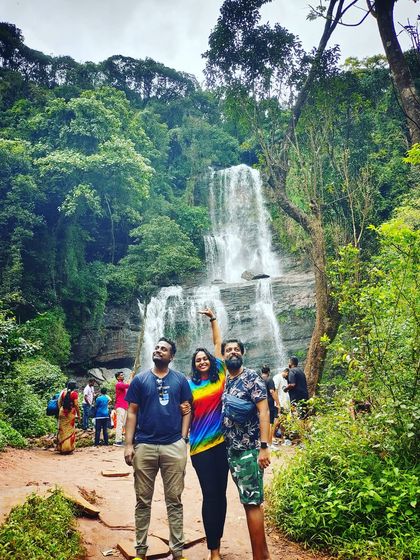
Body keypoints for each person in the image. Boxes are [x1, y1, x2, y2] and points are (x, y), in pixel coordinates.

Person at [124, 337, 192, 560]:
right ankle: (140, 552)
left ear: (171, 356)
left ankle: (177, 552)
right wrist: (128, 444)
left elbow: (187, 409)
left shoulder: (180, 380)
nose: (159, 350)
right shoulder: (140, 380)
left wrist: (183, 439)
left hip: (173, 445)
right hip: (144, 445)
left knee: (175, 500)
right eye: (157, 347)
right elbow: (132, 412)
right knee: (142, 500)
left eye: (164, 349)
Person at [222, 339, 271, 560]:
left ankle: (258, 558)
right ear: (223, 356)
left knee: (252, 503)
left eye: (236, 349)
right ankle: (265, 555)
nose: (232, 352)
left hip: (249, 450)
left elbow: (264, 412)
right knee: (248, 502)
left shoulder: (252, 378)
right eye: (228, 350)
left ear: (243, 353)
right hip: (232, 450)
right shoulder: (226, 380)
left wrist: (264, 447)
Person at [189, 308, 229, 560]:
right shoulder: (189, 385)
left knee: (222, 495)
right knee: (209, 495)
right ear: (194, 365)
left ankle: (217, 543)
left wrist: (213, 319)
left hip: (222, 445)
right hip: (199, 449)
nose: (202, 361)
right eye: (198, 360)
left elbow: (218, 343)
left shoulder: (220, 376)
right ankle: (212, 548)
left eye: (205, 358)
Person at [57, 380, 80, 454]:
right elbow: (76, 405)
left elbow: (59, 402)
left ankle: (61, 448)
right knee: (70, 431)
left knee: (62, 430)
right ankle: (68, 448)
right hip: (70, 413)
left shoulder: (63, 393)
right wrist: (79, 415)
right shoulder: (74, 394)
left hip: (62, 412)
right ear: (74, 387)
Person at [260, 366, 279, 447]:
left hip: (260, 403)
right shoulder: (269, 380)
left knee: (262, 423)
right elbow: (272, 391)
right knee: (270, 423)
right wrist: (278, 402)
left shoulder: (258, 380)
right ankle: (269, 443)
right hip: (269, 403)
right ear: (268, 372)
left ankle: (263, 442)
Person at [113, 370, 134, 446]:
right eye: (121, 375)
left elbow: (128, 384)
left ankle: (126, 440)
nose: (123, 376)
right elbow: (129, 385)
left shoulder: (122, 384)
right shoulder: (118, 384)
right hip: (120, 406)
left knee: (125, 424)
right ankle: (118, 441)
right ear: (118, 378)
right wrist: (132, 375)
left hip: (124, 406)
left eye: (123, 375)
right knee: (120, 424)